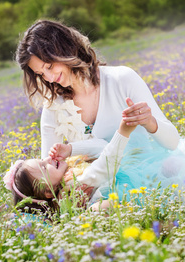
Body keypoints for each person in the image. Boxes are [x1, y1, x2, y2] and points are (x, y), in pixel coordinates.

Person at [16, 19, 179, 163]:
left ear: (65, 50)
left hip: (146, 182)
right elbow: (48, 168)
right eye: (41, 74)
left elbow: (173, 143)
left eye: (49, 66)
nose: (49, 78)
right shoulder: (53, 106)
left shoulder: (122, 79)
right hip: (96, 192)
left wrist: (150, 122)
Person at [3, 118, 136, 218]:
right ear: (48, 192)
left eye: (42, 160)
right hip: (123, 190)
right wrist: (123, 134)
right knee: (101, 209)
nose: (48, 159)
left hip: (120, 179)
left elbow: (102, 146)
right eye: (44, 167)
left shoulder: (70, 168)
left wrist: (70, 149)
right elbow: (105, 166)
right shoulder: (71, 189)